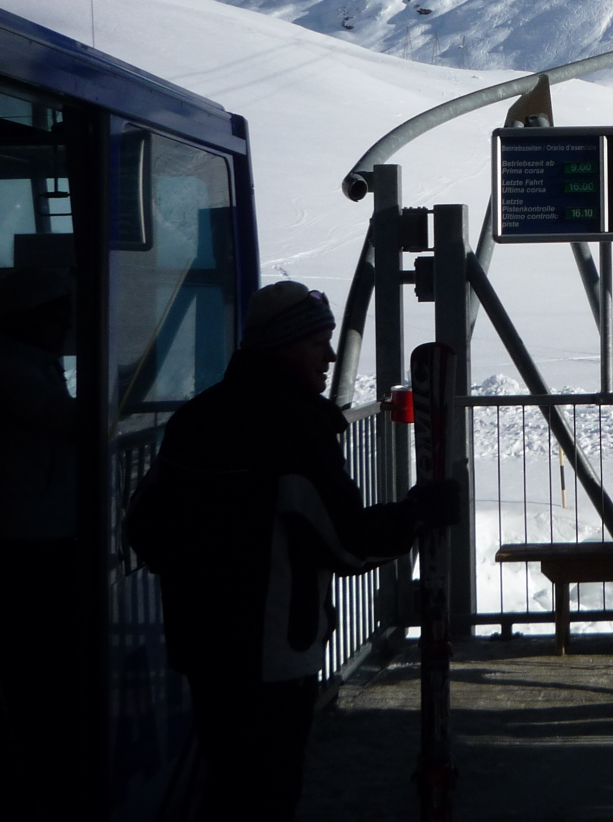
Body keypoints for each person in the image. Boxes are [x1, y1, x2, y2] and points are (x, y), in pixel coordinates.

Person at [127, 281, 460, 821]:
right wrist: (416, 514)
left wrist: (205, 573)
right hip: (272, 653)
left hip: (204, 645)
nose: (329, 357)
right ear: (284, 345)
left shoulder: (197, 418)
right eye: (316, 343)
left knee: (230, 784)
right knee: (267, 792)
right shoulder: (292, 429)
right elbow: (346, 542)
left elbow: (144, 524)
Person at [0, 267, 87, 816]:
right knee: (39, 662)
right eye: (56, 316)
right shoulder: (15, 371)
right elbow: (69, 422)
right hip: (28, 536)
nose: (64, 328)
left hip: (41, 527)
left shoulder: (30, 365)